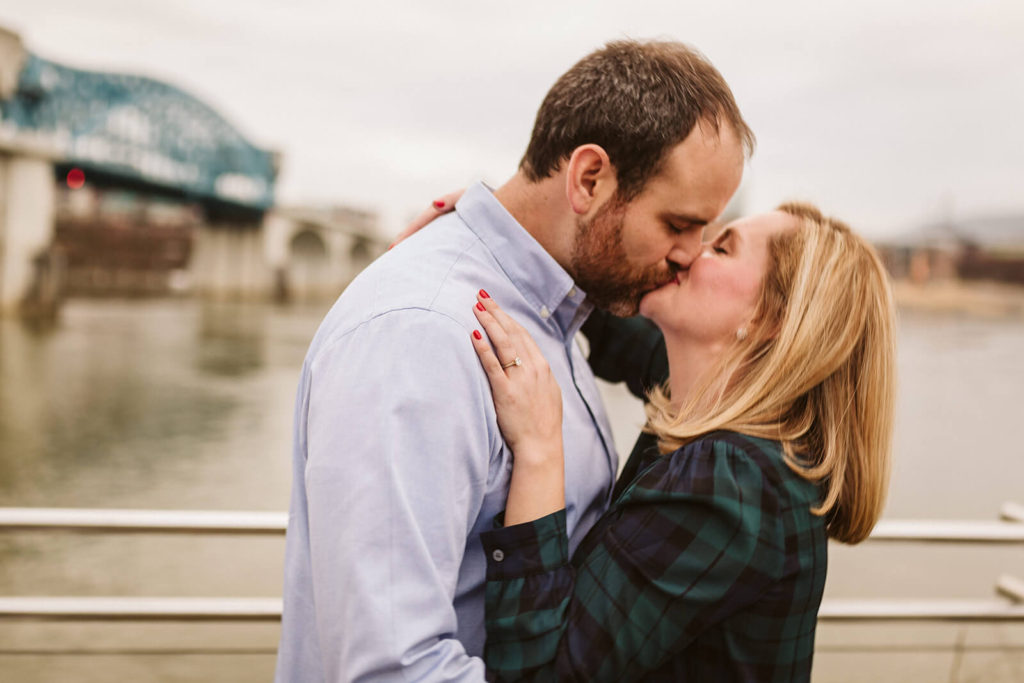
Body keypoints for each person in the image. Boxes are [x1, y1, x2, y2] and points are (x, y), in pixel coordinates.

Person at [275, 40, 755, 681]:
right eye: (678, 224)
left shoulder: (559, 310)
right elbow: (393, 671)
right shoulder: (420, 337)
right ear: (589, 179)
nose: (691, 255)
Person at [464, 203, 895, 681]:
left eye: (722, 247)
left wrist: (540, 449)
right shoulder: (719, 414)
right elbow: (622, 331)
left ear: (770, 319)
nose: (691, 250)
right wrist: (516, 226)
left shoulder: (731, 481)